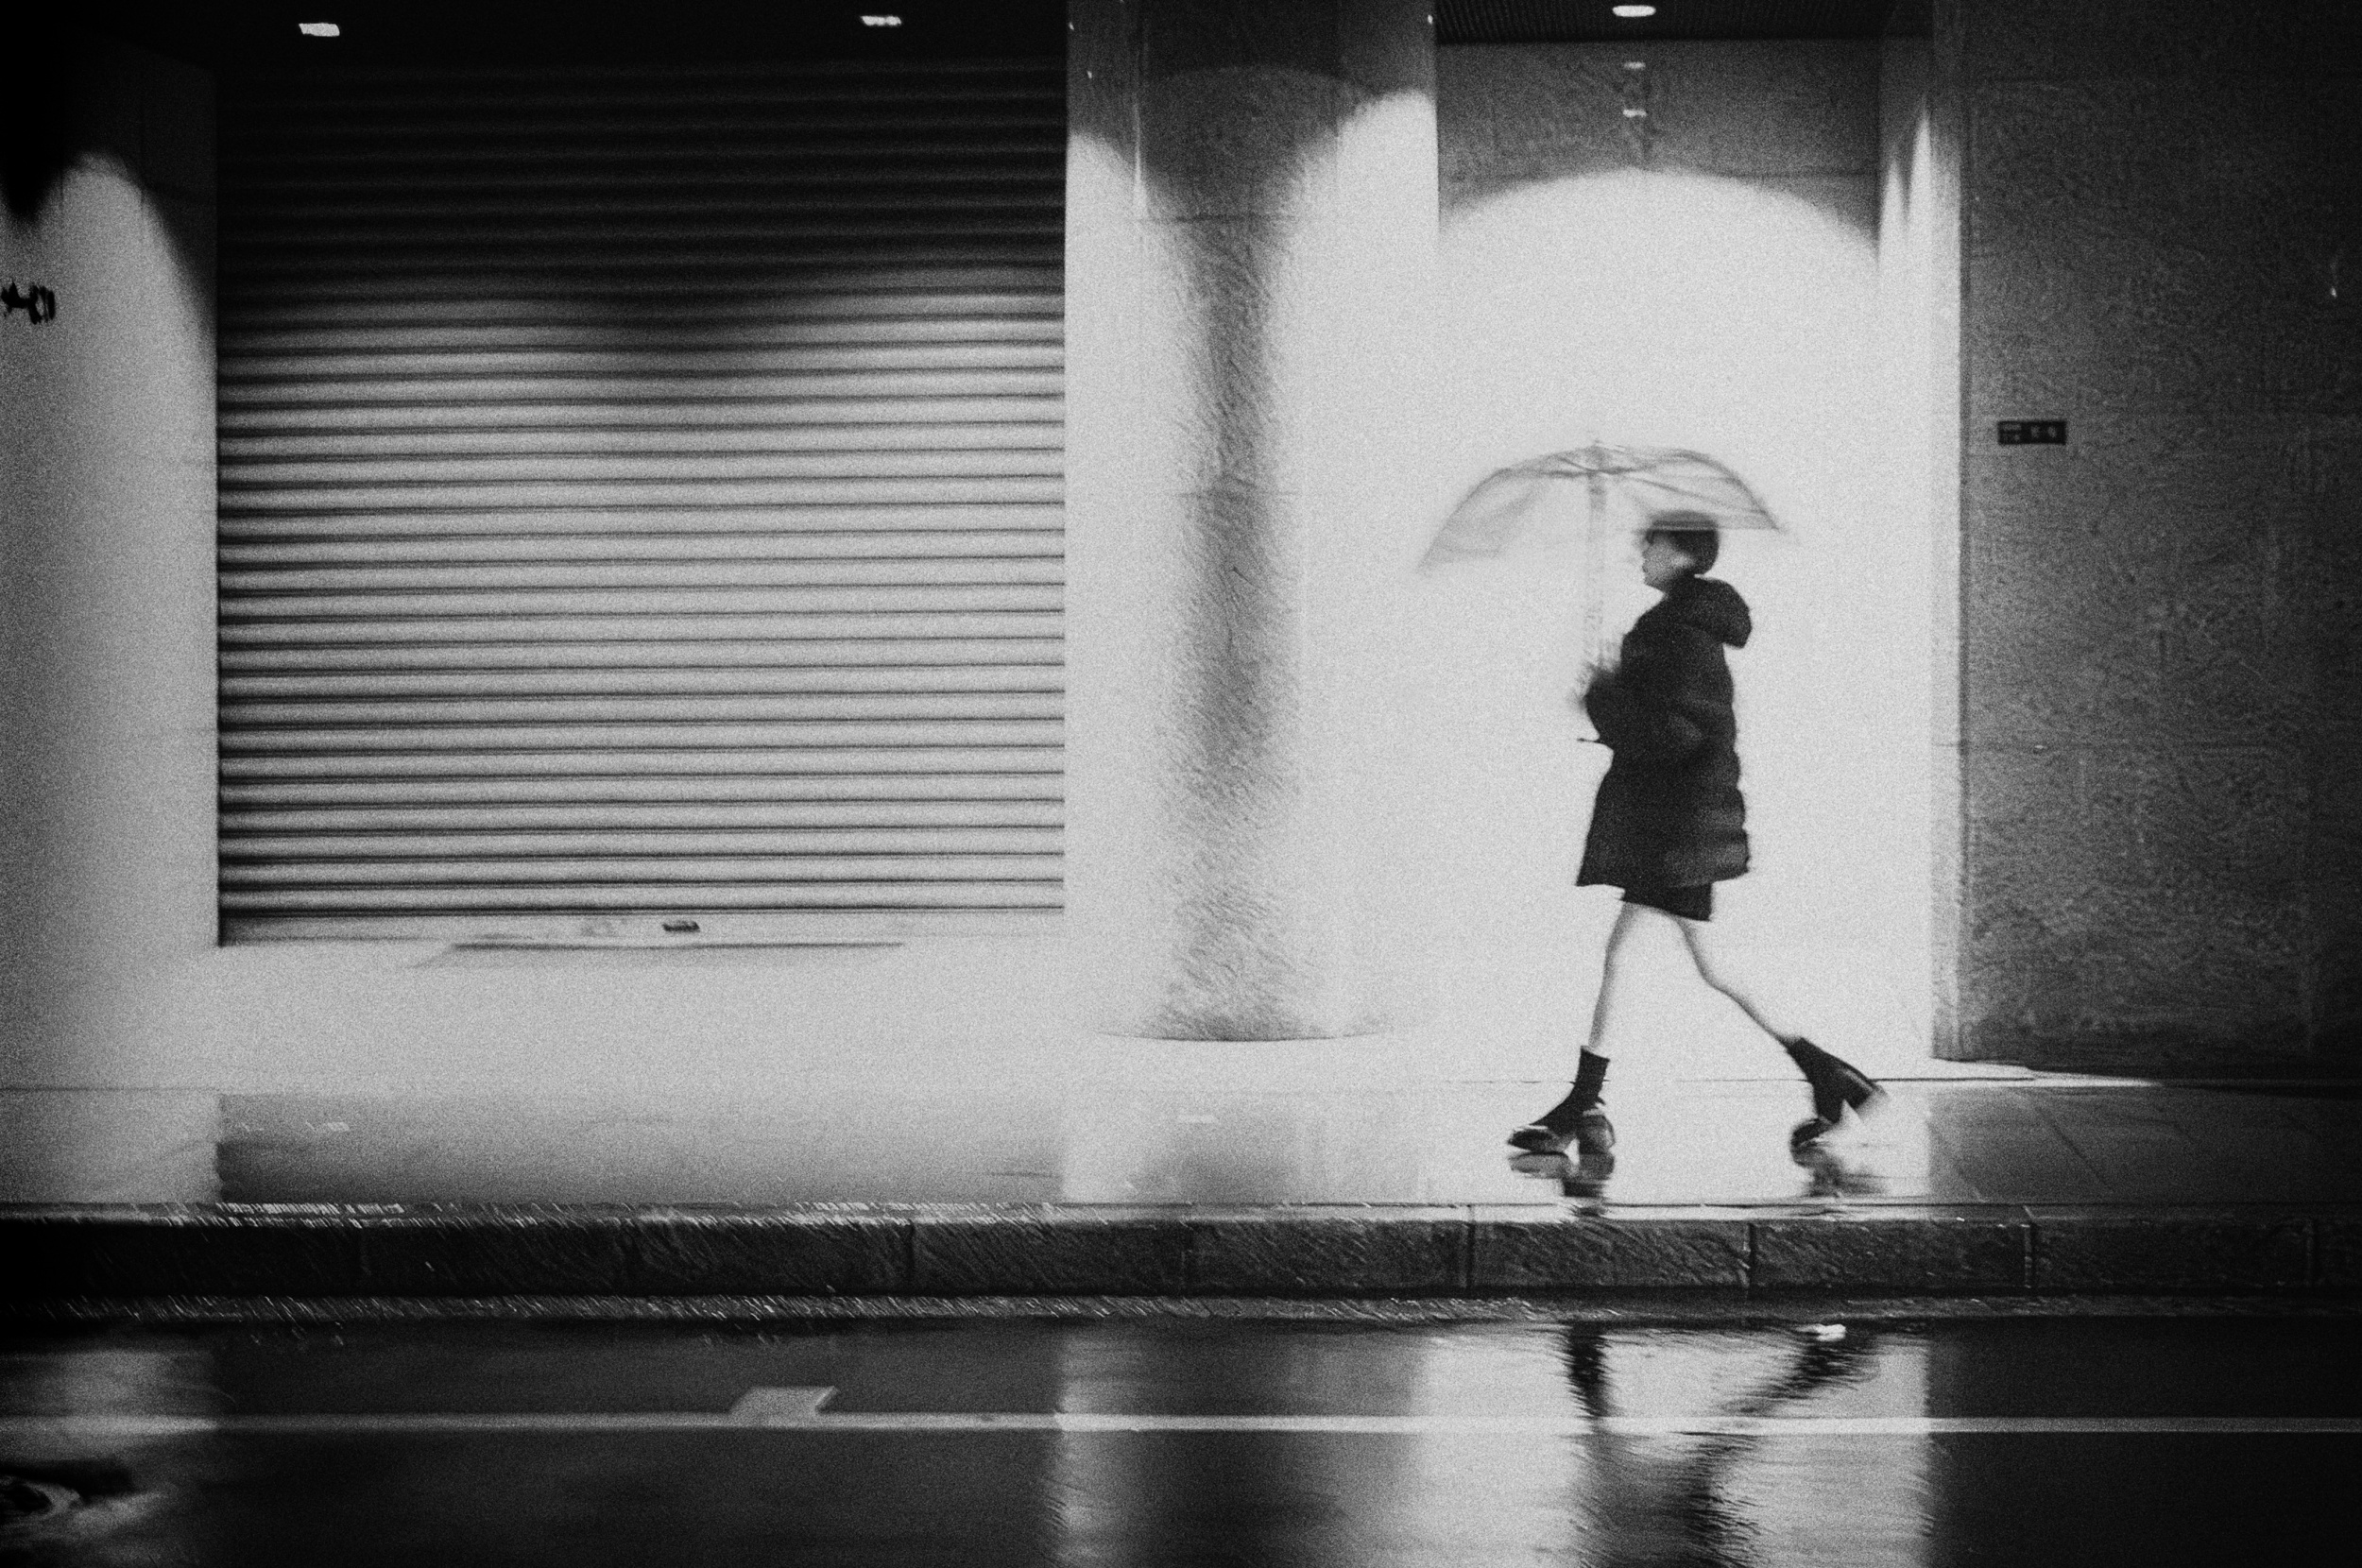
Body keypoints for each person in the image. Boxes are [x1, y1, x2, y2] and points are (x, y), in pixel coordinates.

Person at [1508, 515, 1884, 1158]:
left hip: (1677, 826)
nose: (1640, 554)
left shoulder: (1676, 635)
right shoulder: (1680, 629)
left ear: (1682, 555)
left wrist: (1603, 695)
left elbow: (1674, 735)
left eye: (1651, 544)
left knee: (1647, 960)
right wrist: (1614, 692)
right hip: (1678, 822)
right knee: (1692, 964)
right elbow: (1671, 724)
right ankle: (1827, 1074)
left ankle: (1586, 1103)